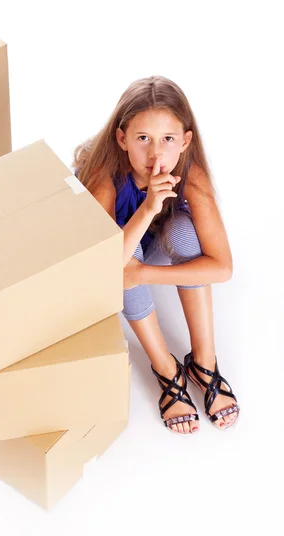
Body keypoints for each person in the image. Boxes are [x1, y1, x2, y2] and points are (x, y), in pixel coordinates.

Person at [73, 76, 239, 435]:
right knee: (122, 260)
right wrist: (147, 208)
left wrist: (145, 273)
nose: (155, 154)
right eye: (142, 138)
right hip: (116, 240)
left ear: (185, 141)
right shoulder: (105, 173)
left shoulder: (190, 174)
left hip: (148, 247)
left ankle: (204, 362)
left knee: (182, 232)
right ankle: (165, 367)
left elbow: (222, 267)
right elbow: (103, 264)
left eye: (167, 139)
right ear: (122, 139)